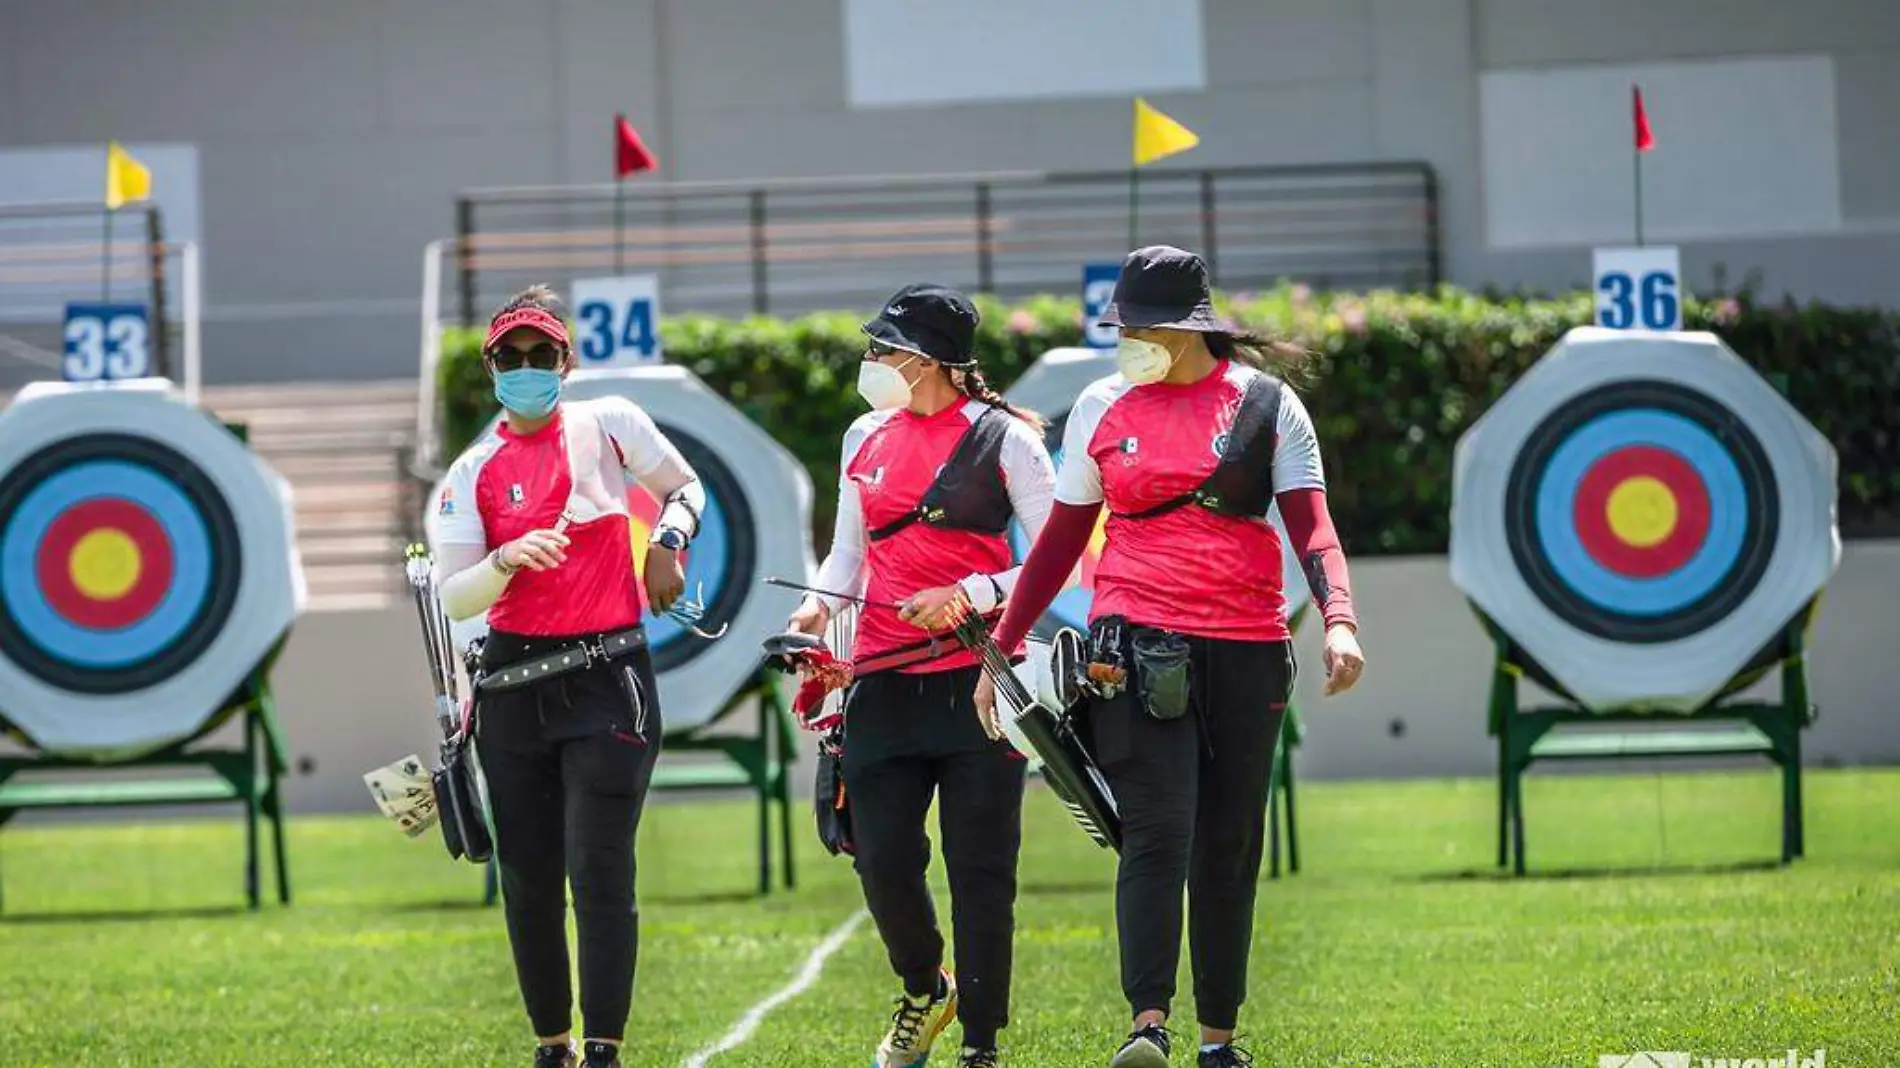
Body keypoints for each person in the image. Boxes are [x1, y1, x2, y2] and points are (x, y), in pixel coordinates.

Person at [975, 246, 1367, 1068]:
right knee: (1156, 832)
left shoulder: (1268, 405)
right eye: (1124, 325)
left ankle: (1218, 1041)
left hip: (1250, 648)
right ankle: (1145, 1025)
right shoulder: (1100, 405)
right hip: (1135, 648)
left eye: (1143, 327)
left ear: (1190, 330)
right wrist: (1002, 647)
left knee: (1228, 845)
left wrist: (1337, 620)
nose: (1129, 340)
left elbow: (1311, 526)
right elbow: (1059, 542)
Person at [429, 285, 706, 1068]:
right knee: (528, 876)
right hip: (514, 689)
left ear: (566, 361)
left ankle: (605, 1049)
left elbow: (683, 489)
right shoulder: (472, 470)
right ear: (491, 368)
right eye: (510, 358)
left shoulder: (611, 423)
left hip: (608, 674)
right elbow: (454, 596)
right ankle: (552, 1047)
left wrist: (667, 544)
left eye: (540, 356)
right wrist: (504, 560)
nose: (526, 369)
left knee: (598, 864)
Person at [784, 283, 1059, 1068]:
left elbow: (1058, 556)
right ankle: (924, 987)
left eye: (885, 348)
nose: (871, 361)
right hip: (881, 676)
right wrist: (810, 616)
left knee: (981, 870)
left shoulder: (1006, 440)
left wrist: (971, 594)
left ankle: (980, 1044)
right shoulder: (862, 435)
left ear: (929, 360)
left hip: (978, 681)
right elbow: (847, 557)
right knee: (880, 852)